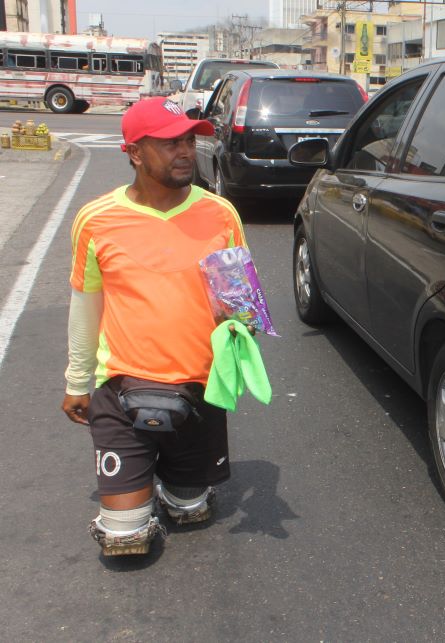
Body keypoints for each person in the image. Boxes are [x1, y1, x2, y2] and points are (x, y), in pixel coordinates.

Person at [61, 97, 246, 556]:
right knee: (125, 539)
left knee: (191, 513)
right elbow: (85, 305)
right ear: (134, 152)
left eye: (188, 140)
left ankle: (176, 489)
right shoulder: (96, 220)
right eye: (168, 143)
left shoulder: (221, 214)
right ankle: (136, 497)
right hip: (121, 387)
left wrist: (242, 325)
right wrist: (77, 381)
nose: (184, 151)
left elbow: (239, 302)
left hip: (198, 390)